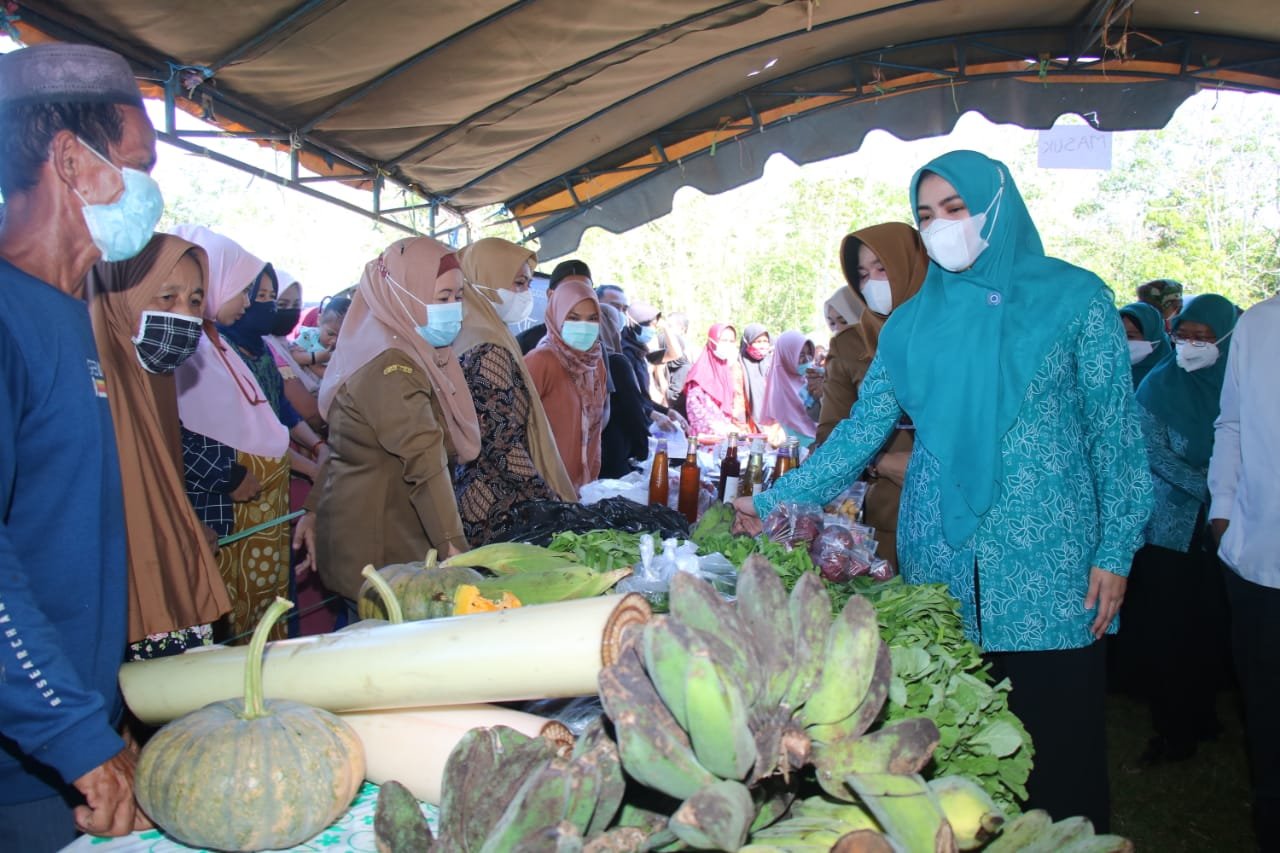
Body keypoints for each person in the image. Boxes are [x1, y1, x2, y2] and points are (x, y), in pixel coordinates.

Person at [735, 151, 1152, 830]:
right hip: (942, 565)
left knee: (1059, 754)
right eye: (926, 215)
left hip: (1050, 563)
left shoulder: (1076, 301)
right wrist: (778, 499)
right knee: (963, 759)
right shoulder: (911, 325)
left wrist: (1116, 550)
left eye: (956, 209)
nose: (941, 227)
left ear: (997, 207)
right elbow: (856, 435)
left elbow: (1116, 440)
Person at [0, 42, 161, 847]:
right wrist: (73, 736)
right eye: (138, 164)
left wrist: (102, 721)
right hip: (19, 770)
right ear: (70, 159)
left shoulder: (71, 313)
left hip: (66, 739)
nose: (149, 192)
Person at [87, 234, 232, 661]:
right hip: (124, 591)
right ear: (121, 298)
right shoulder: (99, 383)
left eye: (194, 301)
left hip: (170, 572)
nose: (183, 315)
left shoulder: (156, 376)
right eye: (166, 298)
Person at [311, 237, 480, 602]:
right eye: (442, 297)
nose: (455, 309)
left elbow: (342, 442)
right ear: (405, 293)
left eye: (458, 296)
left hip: (361, 529)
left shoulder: (388, 346)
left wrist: (312, 509)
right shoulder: (392, 366)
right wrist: (453, 548)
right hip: (380, 547)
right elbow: (425, 458)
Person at [1125, 294, 1237, 766]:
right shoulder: (1158, 384)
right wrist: (1213, 485)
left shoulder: (1241, 387)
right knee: (1169, 631)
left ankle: (1205, 713)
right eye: (1183, 334)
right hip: (1170, 529)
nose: (1190, 345)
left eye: (1203, 337)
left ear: (1227, 340)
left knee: (1212, 625)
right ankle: (1173, 730)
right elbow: (1150, 449)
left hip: (1227, 530)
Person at [174, 226, 300, 643]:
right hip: (222, 508)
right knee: (229, 617)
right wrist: (227, 474)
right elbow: (178, 432)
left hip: (255, 505)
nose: (248, 304)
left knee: (260, 610)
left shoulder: (212, 339)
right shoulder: (187, 344)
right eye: (244, 291)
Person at [814, 223, 930, 571]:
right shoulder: (850, 345)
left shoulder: (955, 335)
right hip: (884, 518)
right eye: (862, 275)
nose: (873, 283)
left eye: (882, 268)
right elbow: (829, 435)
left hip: (955, 516)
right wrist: (881, 462)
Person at [1208, 293, 1280, 849]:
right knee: (1268, 714)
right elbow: (1230, 424)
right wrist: (1223, 511)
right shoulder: (1259, 324)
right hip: (1258, 563)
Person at [453, 237, 576, 544]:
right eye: (518, 283)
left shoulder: (469, 334)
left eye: (527, 284)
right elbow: (500, 443)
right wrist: (548, 497)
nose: (524, 294)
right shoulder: (488, 347)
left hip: (480, 495)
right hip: (495, 508)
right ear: (486, 279)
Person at [524, 278, 610, 490]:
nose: (584, 327)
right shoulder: (540, 360)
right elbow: (518, 427)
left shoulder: (595, 363)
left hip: (584, 488)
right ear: (557, 316)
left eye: (592, 319)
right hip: (544, 487)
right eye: (573, 318)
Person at [598, 303, 654, 478]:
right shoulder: (615, 362)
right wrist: (645, 450)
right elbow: (633, 411)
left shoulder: (581, 358)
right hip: (614, 455)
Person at [264, 271, 324, 431]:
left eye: (296, 305)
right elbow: (310, 414)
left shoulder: (290, 346)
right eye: (282, 305)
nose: (290, 311)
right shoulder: (266, 347)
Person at [684, 324, 755, 438]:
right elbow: (696, 411)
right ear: (712, 341)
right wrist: (722, 428)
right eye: (724, 340)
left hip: (728, 438)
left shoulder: (726, 370)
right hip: (707, 440)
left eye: (731, 341)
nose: (728, 344)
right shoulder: (699, 373)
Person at [516, 259, 591, 354]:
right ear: (551, 295)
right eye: (569, 291)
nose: (578, 299)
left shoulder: (595, 348)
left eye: (585, 292)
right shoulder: (524, 344)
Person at [759, 330, 818, 444]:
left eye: (809, 354)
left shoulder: (807, 380)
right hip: (797, 453)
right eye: (800, 355)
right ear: (787, 357)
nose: (807, 359)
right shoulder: (781, 392)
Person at [1119, 301, 1172, 388]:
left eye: (1130, 336)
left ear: (1153, 338)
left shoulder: (1171, 380)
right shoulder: (1106, 373)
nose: (1122, 342)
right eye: (1118, 336)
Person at [739, 323, 772, 424]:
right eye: (757, 342)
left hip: (775, 426)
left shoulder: (772, 364)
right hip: (748, 424)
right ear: (747, 342)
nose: (762, 346)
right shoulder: (739, 366)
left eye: (765, 341)